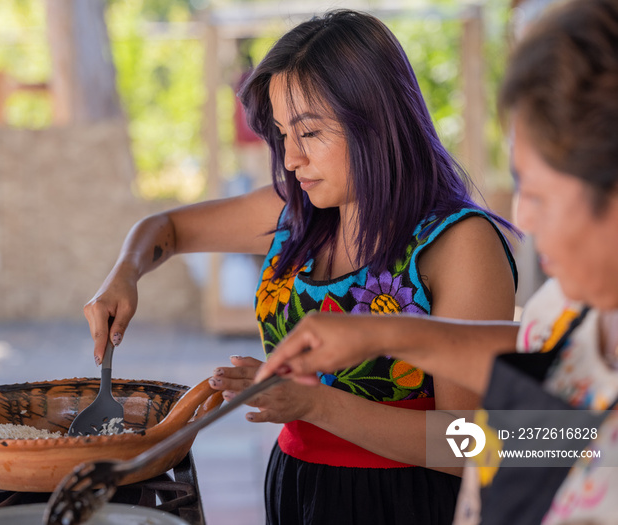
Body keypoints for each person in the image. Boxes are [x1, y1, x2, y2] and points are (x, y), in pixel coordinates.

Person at [84, 9, 519, 525]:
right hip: (297, 487)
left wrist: (314, 406)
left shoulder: (458, 243)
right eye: (282, 134)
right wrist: (125, 273)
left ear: (375, 121)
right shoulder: (298, 213)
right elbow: (168, 229)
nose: (290, 159)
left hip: (405, 504)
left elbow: (470, 446)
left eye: (309, 133)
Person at [256, 1, 618, 523]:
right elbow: (535, 433)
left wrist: (322, 405)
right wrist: (383, 336)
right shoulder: (566, 311)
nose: (523, 219)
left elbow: (519, 444)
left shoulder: (463, 242)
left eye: (541, 194)